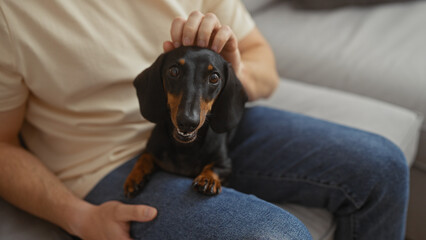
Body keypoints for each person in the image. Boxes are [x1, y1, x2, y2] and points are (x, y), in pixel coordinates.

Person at [0, 1, 409, 239]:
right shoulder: (11, 13)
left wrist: (231, 76)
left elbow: (264, 64)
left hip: (217, 124)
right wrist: (79, 218)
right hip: (106, 162)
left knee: (383, 167)